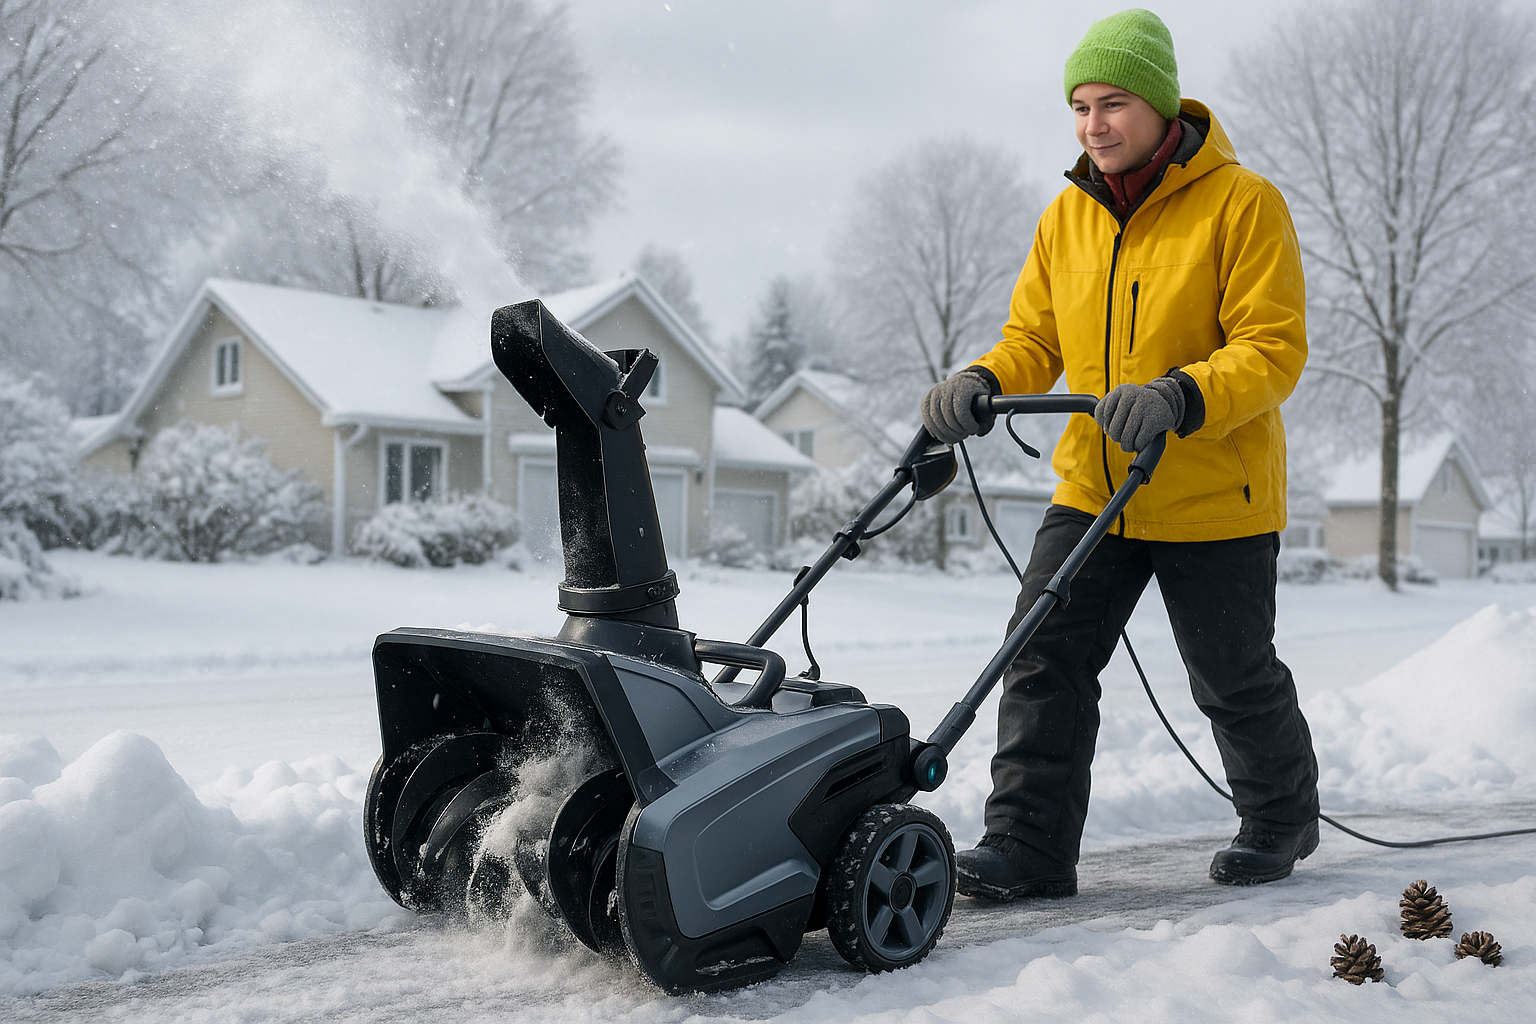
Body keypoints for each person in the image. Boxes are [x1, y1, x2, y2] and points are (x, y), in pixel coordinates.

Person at [919, 8, 1319, 897]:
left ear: (1161, 105)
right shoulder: (1067, 215)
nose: (1092, 125)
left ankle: (1282, 818)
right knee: (1043, 656)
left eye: (1112, 104)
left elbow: (1272, 348)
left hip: (1214, 489)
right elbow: (1033, 335)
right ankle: (1028, 846)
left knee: (1231, 673)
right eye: (1078, 106)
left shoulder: (1243, 203)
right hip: (1095, 484)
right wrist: (981, 378)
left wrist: (1183, 394)